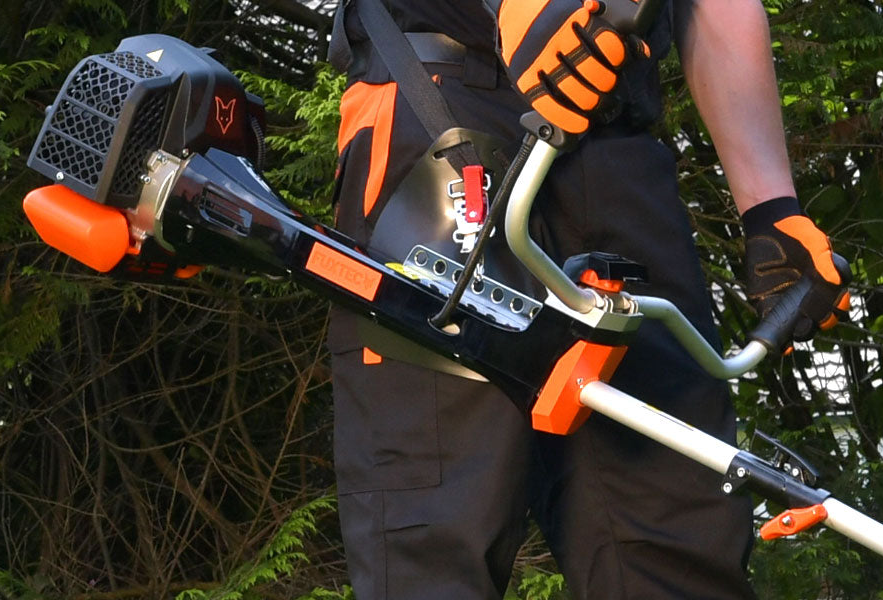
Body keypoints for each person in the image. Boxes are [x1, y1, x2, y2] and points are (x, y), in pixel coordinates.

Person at [321, 0, 844, 597]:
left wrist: (770, 208)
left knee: (676, 540)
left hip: (614, 147)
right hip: (437, 113)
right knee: (430, 544)